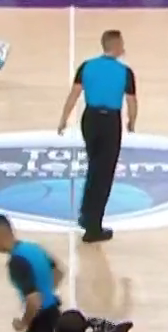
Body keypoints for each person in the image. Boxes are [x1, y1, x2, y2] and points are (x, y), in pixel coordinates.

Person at [56, 30, 137, 243]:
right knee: (103, 174)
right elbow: (131, 102)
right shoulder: (125, 72)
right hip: (110, 123)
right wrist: (131, 121)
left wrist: (63, 119)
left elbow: (74, 95)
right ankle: (93, 227)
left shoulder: (87, 66)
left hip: (90, 120)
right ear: (116, 46)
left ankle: (86, 215)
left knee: (95, 168)